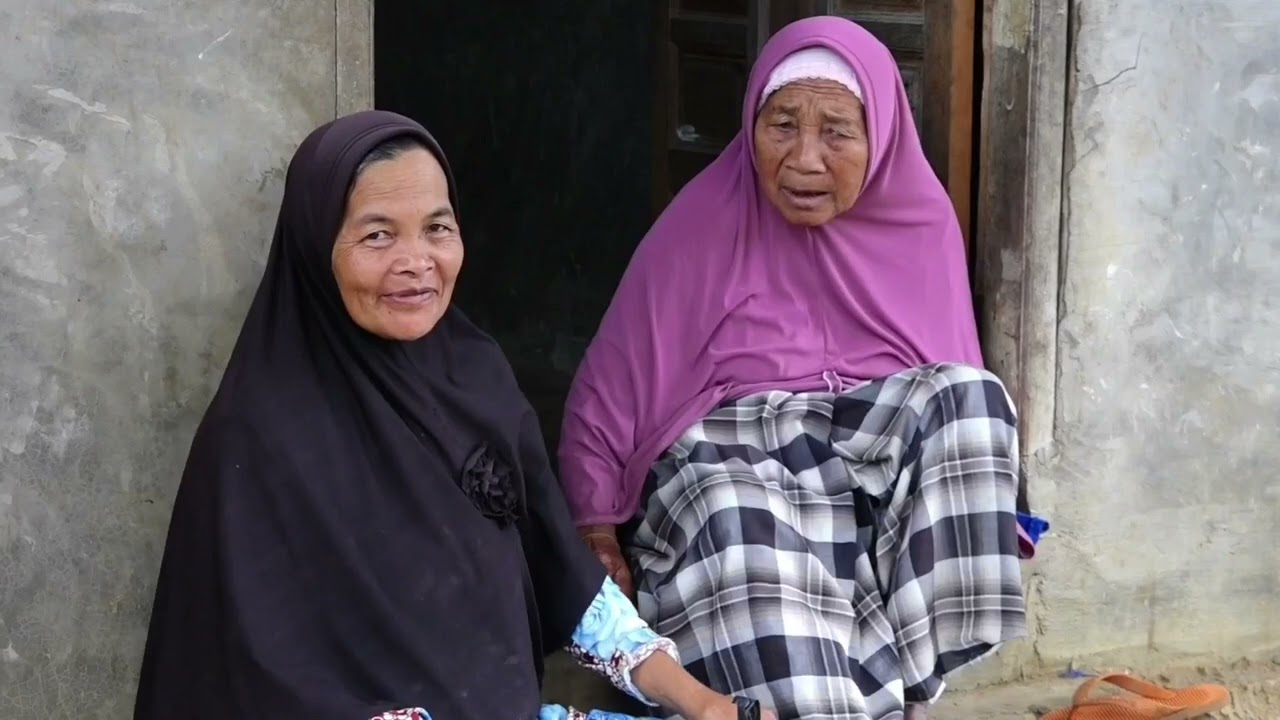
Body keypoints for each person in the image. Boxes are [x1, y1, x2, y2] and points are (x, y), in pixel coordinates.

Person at [133, 110, 774, 720]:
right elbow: (260, 683)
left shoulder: (474, 377)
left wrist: (698, 700)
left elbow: (565, 575)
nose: (417, 263)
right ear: (315, 248)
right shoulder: (259, 436)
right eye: (378, 234)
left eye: (437, 228)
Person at [559, 17, 1026, 720]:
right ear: (752, 127)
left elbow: (945, 388)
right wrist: (594, 527)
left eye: (837, 131)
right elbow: (613, 384)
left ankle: (899, 683)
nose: (805, 158)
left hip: (856, 446)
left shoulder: (921, 221)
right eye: (782, 125)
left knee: (972, 401)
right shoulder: (704, 221)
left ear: (880, 138)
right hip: (726, 451)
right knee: (733, 510)